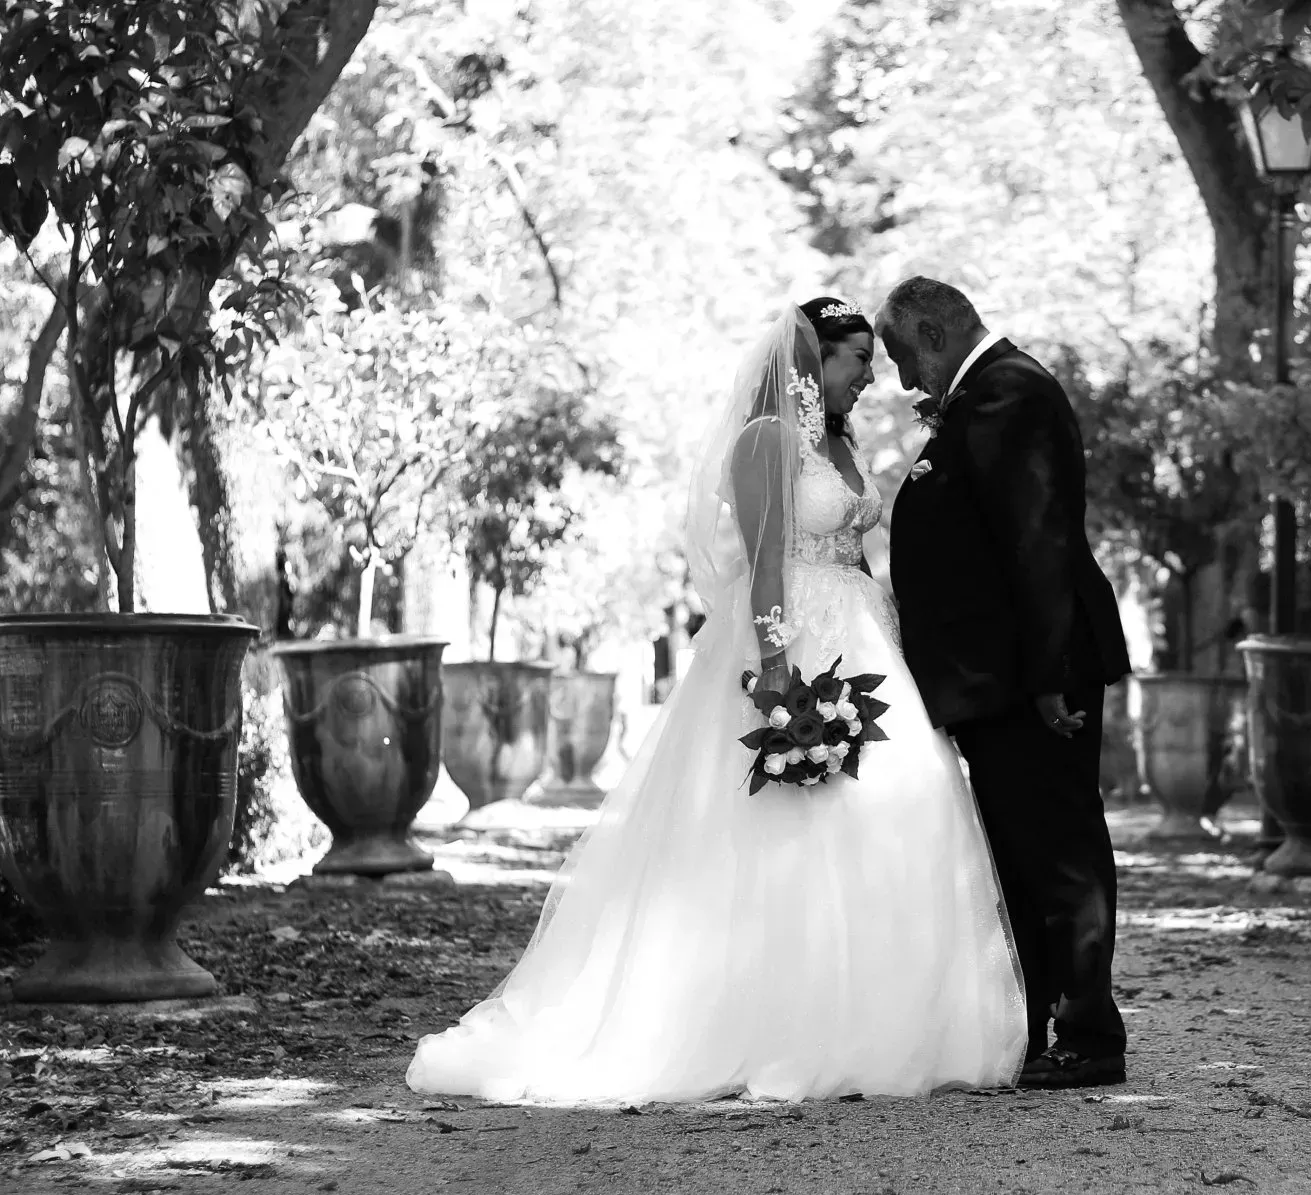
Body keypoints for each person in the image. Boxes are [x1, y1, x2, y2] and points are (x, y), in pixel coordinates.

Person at [406, 299, 1026, 1105]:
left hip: (866, 640)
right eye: (857, 360)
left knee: (896, 809)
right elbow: (765, 562)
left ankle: (894, 1022)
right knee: (790, 830)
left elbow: (855, 554)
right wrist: (775, 668)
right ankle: (783, 1025)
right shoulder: (764, 441)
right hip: (795, 639)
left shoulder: (841, 443)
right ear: (812, 360)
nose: (870, 377)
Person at [877, 277, 1133, 1091]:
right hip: (1002, 678)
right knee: (1023, 856)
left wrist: (1051, 676)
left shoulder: (1009, 393)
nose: (905, 381)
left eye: (902, 358)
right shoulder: (986, 394)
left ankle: (1090, 1034)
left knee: (1060, 852)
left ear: (932, 333)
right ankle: (1036, 1026)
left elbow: (1039, 539)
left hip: (1034, 678)